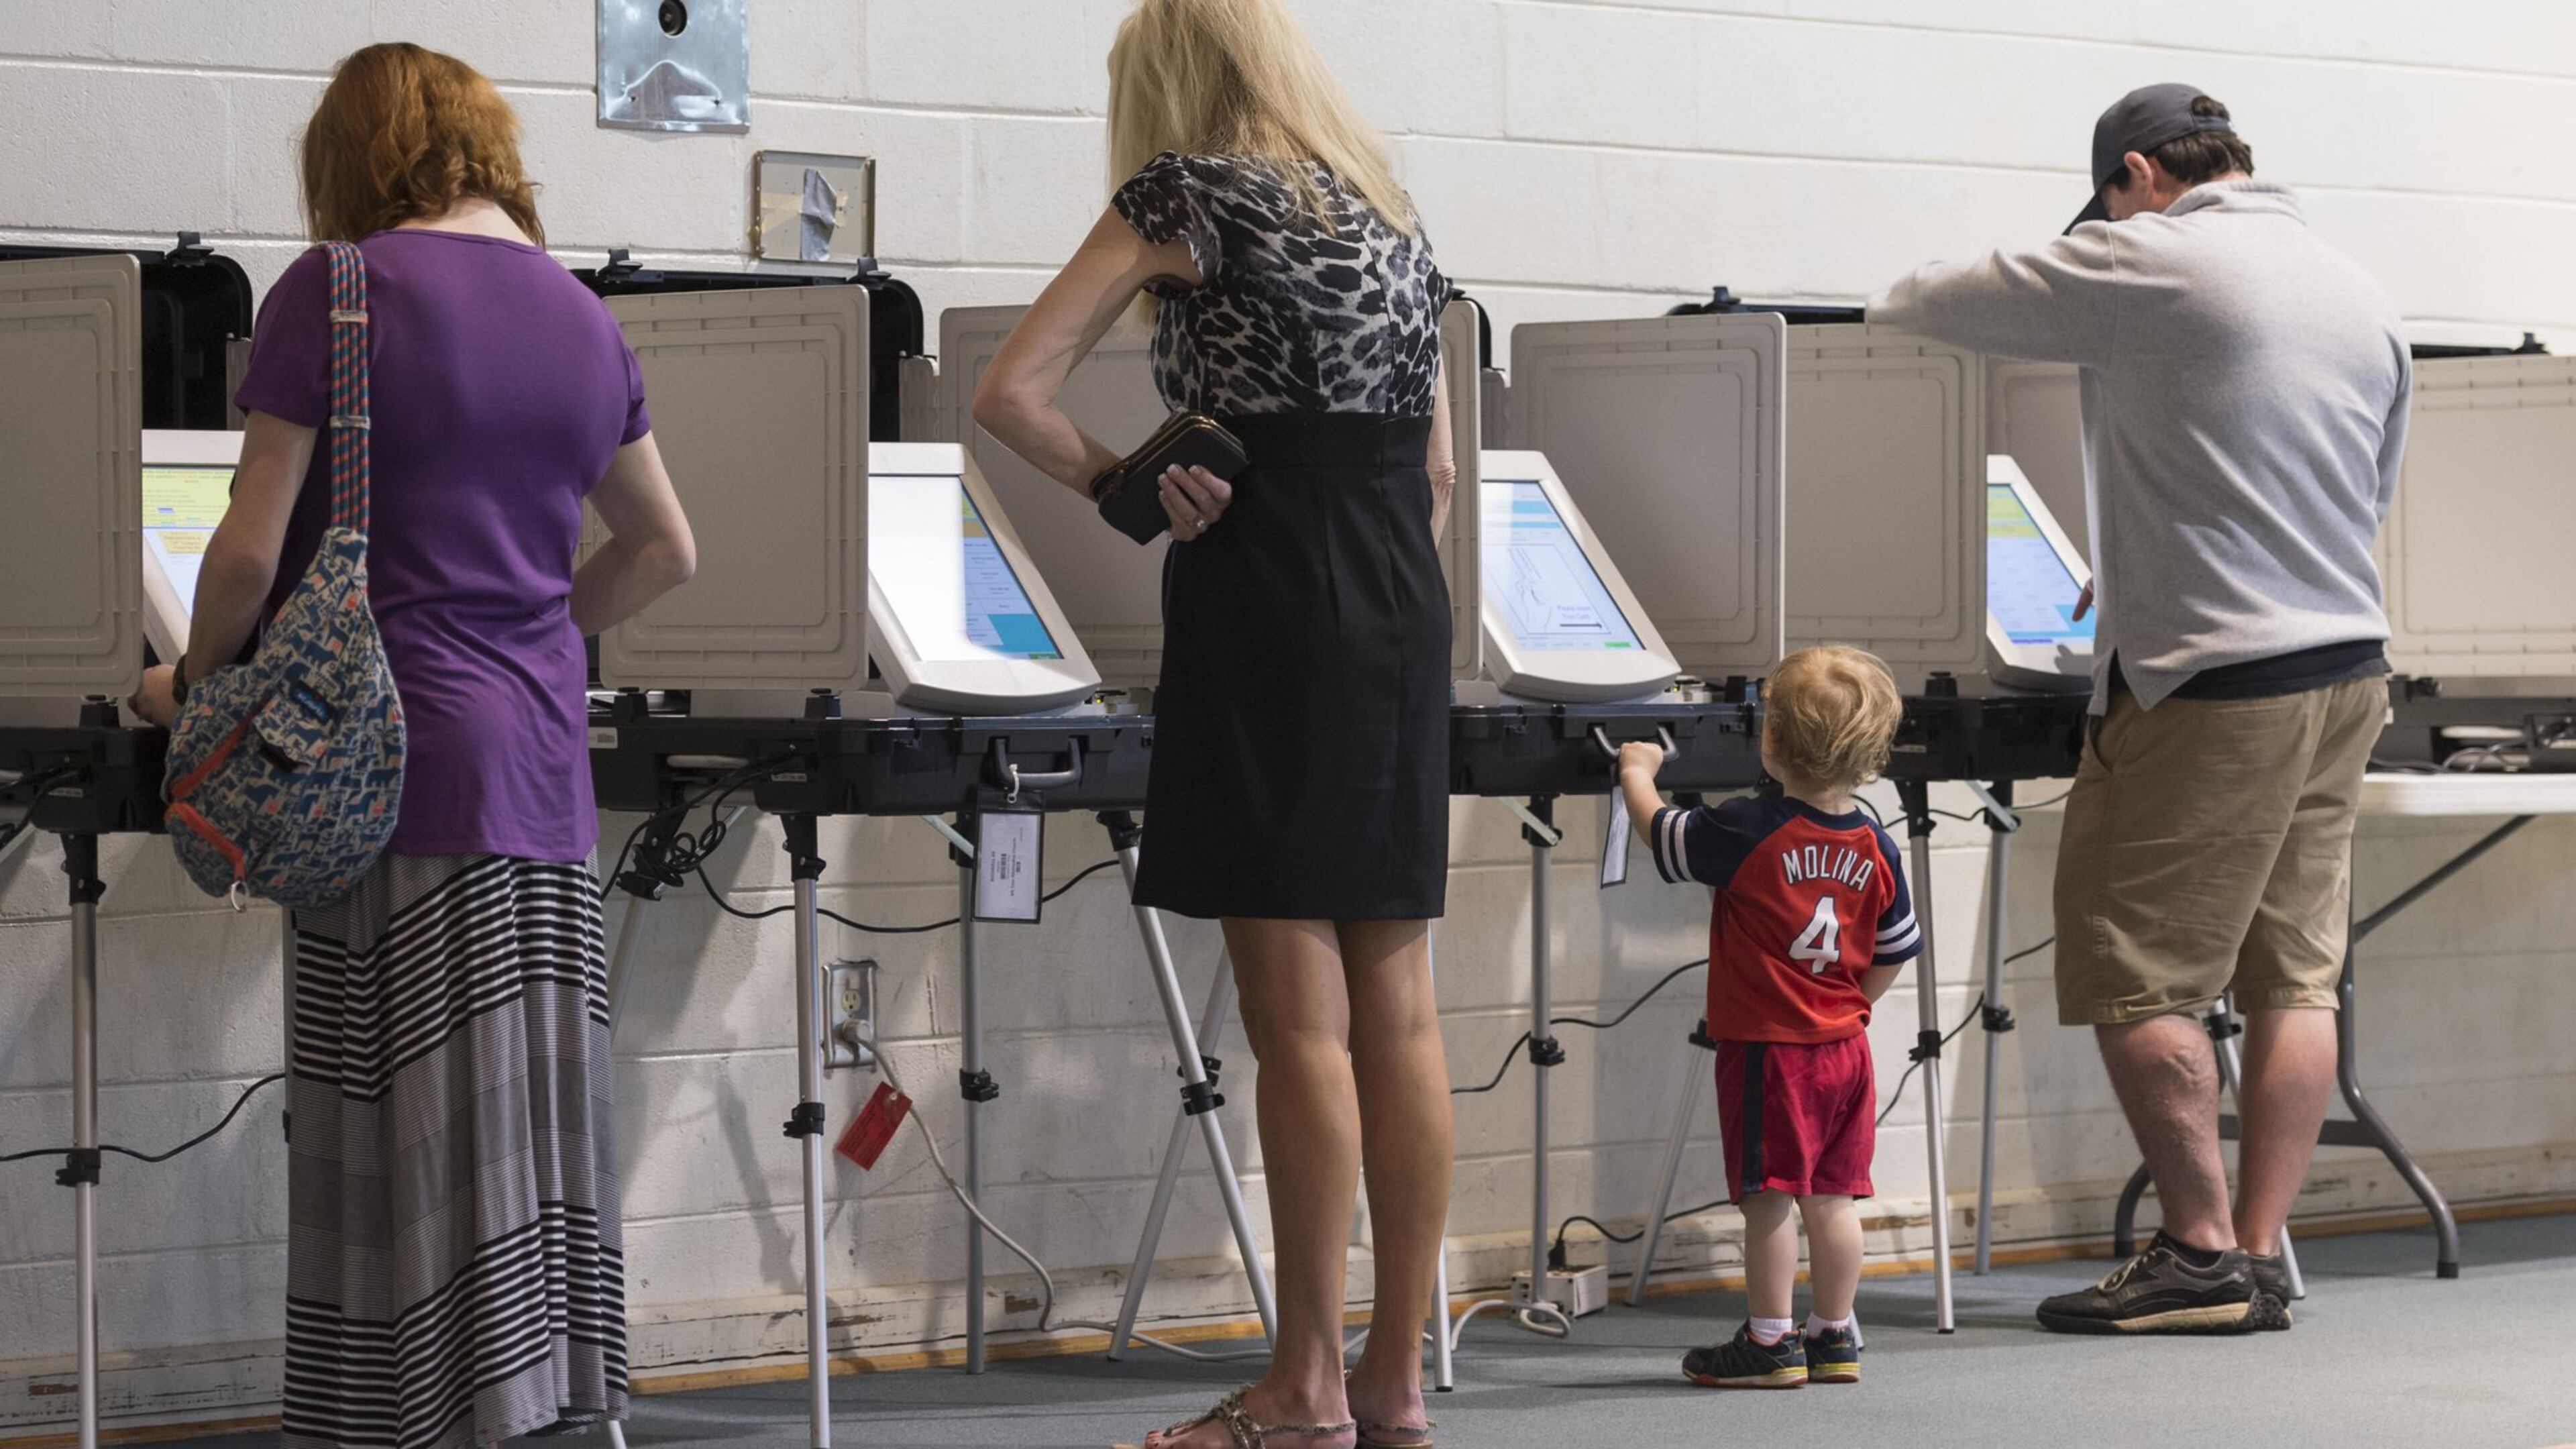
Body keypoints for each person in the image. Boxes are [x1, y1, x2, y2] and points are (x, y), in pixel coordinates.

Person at [128, 43, 696, 1447]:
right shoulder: (583, 317)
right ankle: (535, 1406)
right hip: (542, 776)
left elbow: (250, 554)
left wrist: (194, 695)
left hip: (386, 778)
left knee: (395, 1142)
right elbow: (666, 549)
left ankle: (409, 1421)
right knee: (521, 1141)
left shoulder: (335, 291)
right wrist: (530, 635)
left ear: (356, 161)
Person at [971, 1, 1455, 1443]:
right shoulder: (1386, 210)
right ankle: (1392, 1378)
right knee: (1403, 1009)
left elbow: (1012, 390)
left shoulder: (1180, 194)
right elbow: (1433, 468)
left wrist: (1132, 482)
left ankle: (1301, 1391)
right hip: (1396, 587)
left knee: (1293, 1017)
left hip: (1271, 589)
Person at [1870, 85, 2409, 1334]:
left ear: (2134, 177)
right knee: (2296, 976)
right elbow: (2361, 493)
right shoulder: (2352, 286)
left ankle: (2197, 1253)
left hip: (2213, 685)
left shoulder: (2150, 254)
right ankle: (2258, 1256)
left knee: (2134, 970)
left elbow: (1921, 298)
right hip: (2344, 667)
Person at [1616, 646, 1919, 1389]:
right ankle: (1835, 1333)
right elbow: (1895, 947)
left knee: (1769, 1203)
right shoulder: (1876, 843)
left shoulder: (1748, 828)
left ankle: (1770, 1340)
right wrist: (1849, 1007)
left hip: (1767, 1053)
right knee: (1834, 1199)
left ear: (1771, 742)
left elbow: (1665, 835)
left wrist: (1635, 774)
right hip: (1845, 1051)